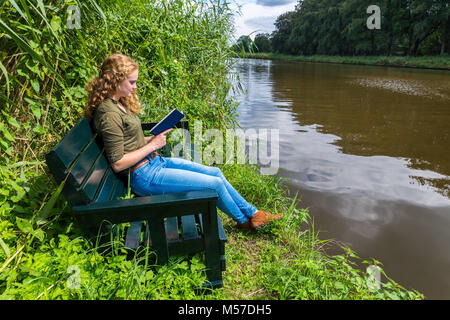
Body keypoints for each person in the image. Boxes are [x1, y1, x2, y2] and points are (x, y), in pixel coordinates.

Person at [84, 53, 282, 230]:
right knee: (213, 184)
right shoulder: (108, 113)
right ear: (115, 80)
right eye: (131, 82)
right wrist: (152, 145)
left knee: (216, 172)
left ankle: (254, 213)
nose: (135, 87)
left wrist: (151, 139)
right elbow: (118, 163)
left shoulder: (118, 104)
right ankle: (243, 221)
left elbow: (128, 141)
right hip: (144, 175)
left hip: (154, 163)